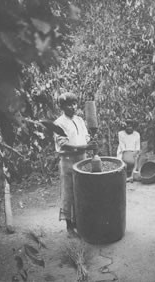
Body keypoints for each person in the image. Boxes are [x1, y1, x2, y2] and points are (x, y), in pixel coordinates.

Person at [54, 92, 97, 238]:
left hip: (82, 158)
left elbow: (85, 136)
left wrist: (90, 141)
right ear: (61, 106)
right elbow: (64, 144)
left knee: (82, 189)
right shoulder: (59, 123)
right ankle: (69, 226)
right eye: (68, 104)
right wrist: (84, 147)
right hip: (68, 160)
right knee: (68, 191)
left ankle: (80, 221)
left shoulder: (79, 120)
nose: (72, 107)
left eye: (74, 104)